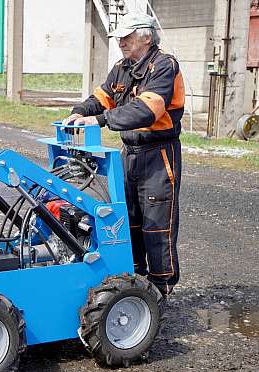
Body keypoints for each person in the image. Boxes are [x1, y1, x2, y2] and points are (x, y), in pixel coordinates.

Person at [63, 12, 184, 297]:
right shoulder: (122, 67)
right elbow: (102, 97)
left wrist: (102, 120)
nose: (120, 42)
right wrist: (80, 111)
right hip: (129, 152)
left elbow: (147, 110)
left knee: (156, 224)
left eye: (126, 37)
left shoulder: (164, 66)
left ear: (145, 36)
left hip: (159, 153)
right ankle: (134, 283)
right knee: (127, 219)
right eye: (119, 37)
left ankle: (160, 289)